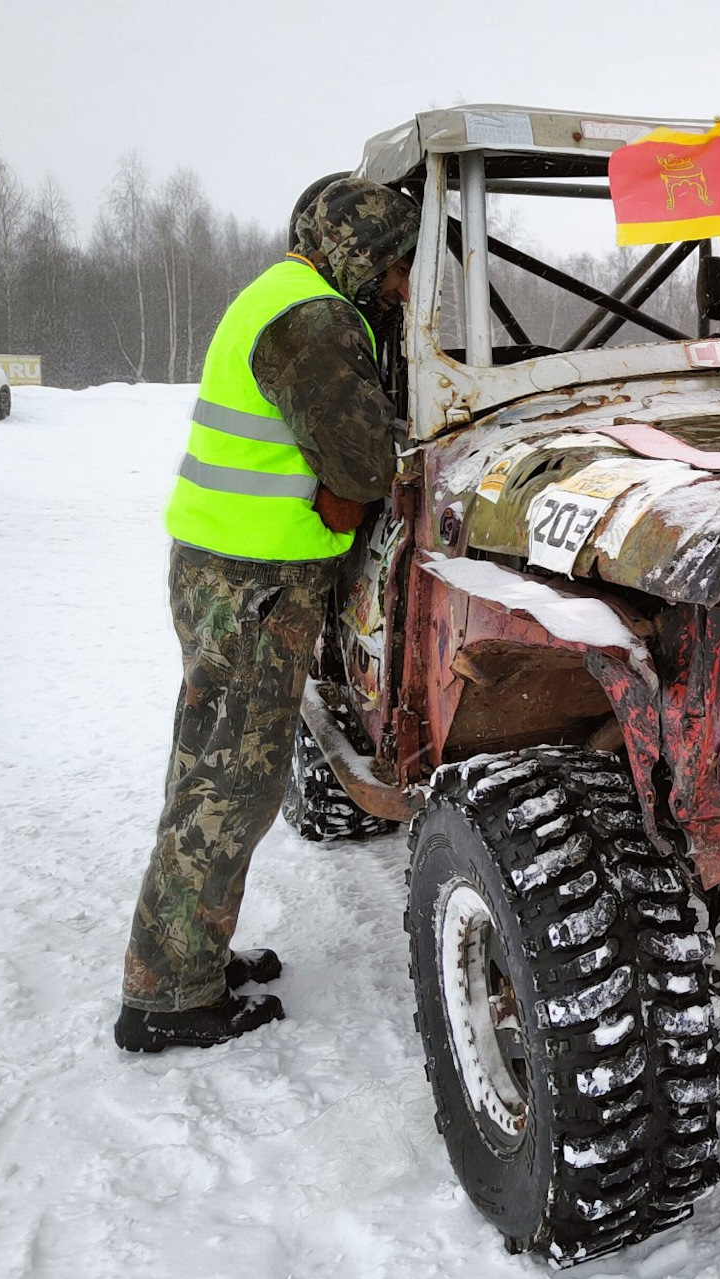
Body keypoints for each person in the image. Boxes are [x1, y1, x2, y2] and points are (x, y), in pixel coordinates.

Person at [114, 177, 421, 1052]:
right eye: (396, 268)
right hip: (252, 585)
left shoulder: (279, 293)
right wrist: (350, 482)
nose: (401, 288)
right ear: (359, 252)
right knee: (229, 784)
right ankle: (169, 996)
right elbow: (365, 462)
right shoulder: (316, 320)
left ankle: (188, 954)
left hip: (226, 572)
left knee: (212, 769)